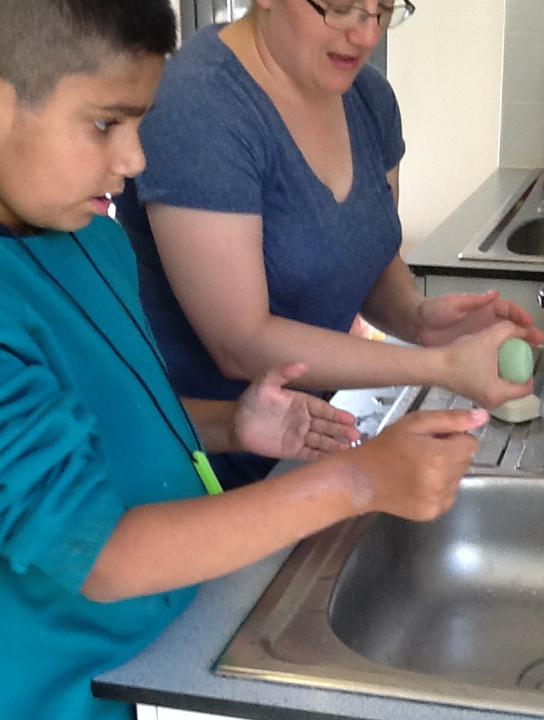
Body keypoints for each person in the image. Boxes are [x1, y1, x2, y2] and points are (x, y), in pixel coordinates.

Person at [0, 2, 490, 719]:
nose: (135, 160)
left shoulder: (91, 238)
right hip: (49, 691)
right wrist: (356, 480)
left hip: (148, 654)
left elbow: (108, 420)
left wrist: (230, 425)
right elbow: (100, 555)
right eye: (106, 124)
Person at [116, 0, 544, 488]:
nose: (367, 35)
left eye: (383, 9)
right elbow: (241, 343)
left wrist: (419, 318)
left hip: (298, 451)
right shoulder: (198, 107)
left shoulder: (369, 100)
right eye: (341, 7)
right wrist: (440, 366)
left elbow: (367, 255)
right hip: (192, 471)